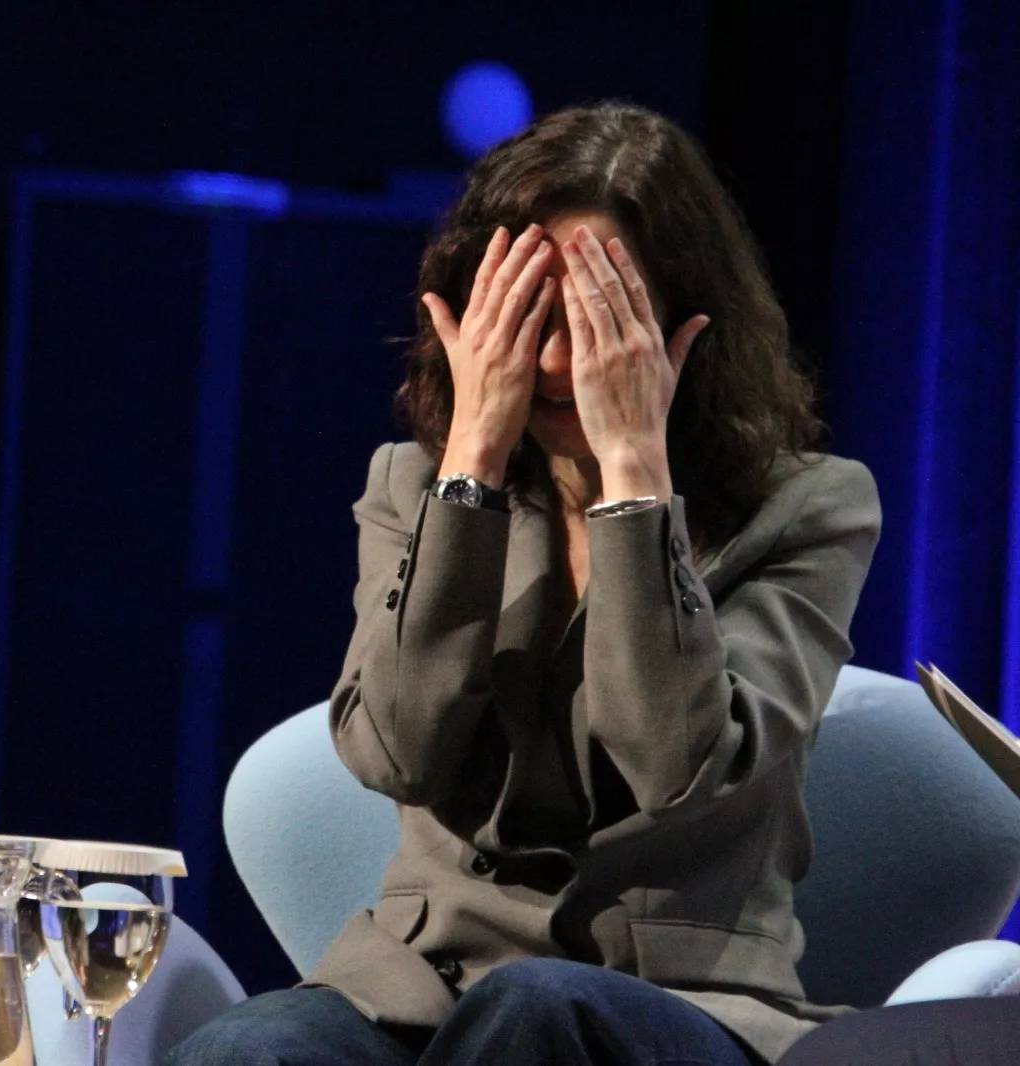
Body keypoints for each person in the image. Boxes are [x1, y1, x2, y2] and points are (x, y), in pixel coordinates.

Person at [166, 101, 883, 1066]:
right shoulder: (414, 487)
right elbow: (396, 753)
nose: (552, 362)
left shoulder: (808, 508)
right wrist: (472, 464)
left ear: (685, 323)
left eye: (592, 319)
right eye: (528, 317)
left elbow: (677, 764)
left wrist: (634, 478)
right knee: (249, 1053)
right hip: (424, 981)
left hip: (677, 1004)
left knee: (536, 1009)